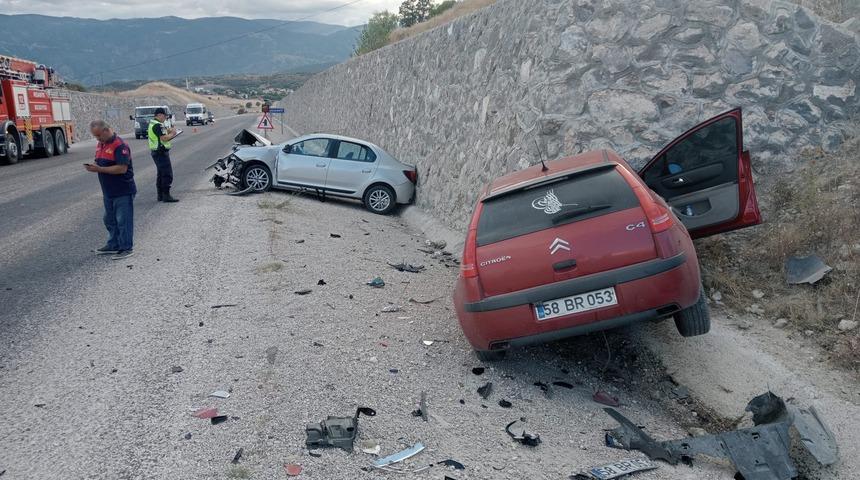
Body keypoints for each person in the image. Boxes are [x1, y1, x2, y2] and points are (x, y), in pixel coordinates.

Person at [85, 120, 136, 260]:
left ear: (106, 130)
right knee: (109, 219)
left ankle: (126, 247)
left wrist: (100, 169)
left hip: (123, 190)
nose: (98, 139)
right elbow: (99, 161)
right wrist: (94, 166)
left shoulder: (120, 145)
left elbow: (122, 168)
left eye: (99, 136)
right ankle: (113, 244)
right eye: (96, 137)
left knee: (123, 220)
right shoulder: (101, 144)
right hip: (108, 191)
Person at [147, 107, 179, 202]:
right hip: (160, 152)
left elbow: (164, 131)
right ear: (159, 115)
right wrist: (173, 134)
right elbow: (164, 138)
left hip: (157, 152)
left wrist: (170, 130)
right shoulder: (157, 125)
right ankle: (166, 195)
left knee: (161, 174)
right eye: (164, 116)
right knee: (167, 174)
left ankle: (160, 195)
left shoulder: (155, 124)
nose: (165, 118)